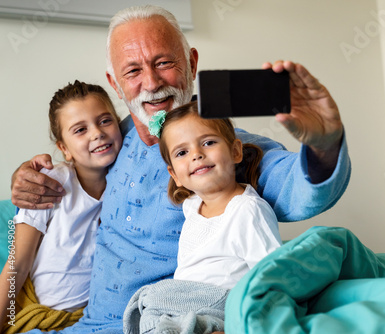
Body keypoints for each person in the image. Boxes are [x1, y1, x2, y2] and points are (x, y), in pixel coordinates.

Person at [10, 5, 351, 333]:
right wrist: (29, 175)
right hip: (87, 324)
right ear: (115, 85)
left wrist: (324, 144)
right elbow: (72, 163)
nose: (152, 82)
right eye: (133, 71)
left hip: (162, 323)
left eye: (163, 63)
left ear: (191, 63)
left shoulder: (225, 148)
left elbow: (298, 187)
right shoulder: (114, 136)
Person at [122, 102, 282, 333]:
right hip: (182, 303)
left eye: (208, 142)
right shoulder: (192, 206)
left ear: (236, 151)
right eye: (182, 152)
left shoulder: (248, 210)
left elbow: (273, 277)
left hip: (219, 309)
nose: (196, 155)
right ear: (175, 174)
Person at [0, 81, 122, 333]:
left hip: (87, 320)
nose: (97, 133)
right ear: (64, 149)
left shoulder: (126, 184)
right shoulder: (50, 184)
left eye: (105, 121)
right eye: (80, 130)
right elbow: (17, 265)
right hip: (36, 312)